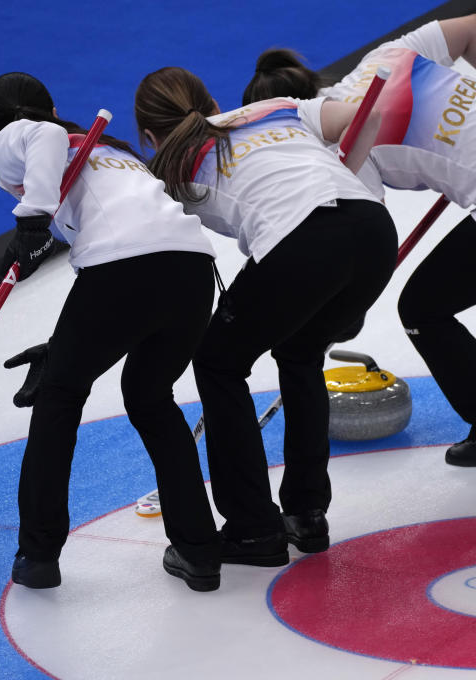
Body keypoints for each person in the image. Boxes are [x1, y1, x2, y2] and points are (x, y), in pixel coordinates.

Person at [242, 14, 476, 468]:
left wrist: (337, 312)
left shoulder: (335, 148)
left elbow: (358, 243)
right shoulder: (383, 58)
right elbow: (473, 27)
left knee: (421, 308)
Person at [134, 67, 397, 565]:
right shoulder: (273, 107)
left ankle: (254, 527)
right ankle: (306, 512)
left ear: (149, 135)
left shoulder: (168, 167)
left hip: (303, 242)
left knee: (218, 362)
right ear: (212, 99)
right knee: (299, 351)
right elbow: (370, 115)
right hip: (374, 229)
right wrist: (342, 174)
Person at [0, 72, 222, 592]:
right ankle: (199, 550)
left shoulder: (20, 136)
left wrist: (31, 220)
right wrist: (64, 346)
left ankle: (39, 555)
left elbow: (38, 136)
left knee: (60, 396)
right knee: (151, 398)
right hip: (192, 272)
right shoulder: (115, 151)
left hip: (123, 270)